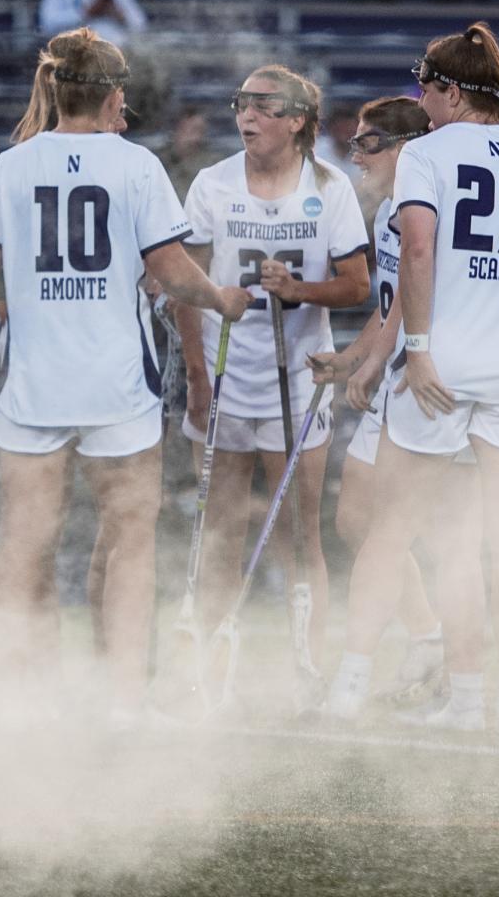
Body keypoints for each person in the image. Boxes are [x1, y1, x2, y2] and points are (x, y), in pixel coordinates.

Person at [325, 23, 499, 735]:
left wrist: (416, 351)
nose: (420, 104)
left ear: (452, 91)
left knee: (391, 531)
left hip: (443, 368)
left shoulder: (426, 152)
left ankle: (348, 689)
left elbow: (417, 248)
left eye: (425, 90)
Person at [0, 29, 249, 726]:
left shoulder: (13, 164)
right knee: (128, 540)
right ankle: (122, 701)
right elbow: (171, 270)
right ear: (115, 94)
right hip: (114, 383)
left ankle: (17, 701)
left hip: (32, 380)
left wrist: (23, 290)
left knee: (23, 540)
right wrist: (220, 298)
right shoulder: (136, 165)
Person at [174, 66, 371, 678]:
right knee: (221, 531)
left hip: (297, 381)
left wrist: (300, 290)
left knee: (299, 532)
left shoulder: (330, 186)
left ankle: (307, 664)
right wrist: (197, 380)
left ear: (296, 120)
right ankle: (211, 661)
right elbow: (184, 285)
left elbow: (357, 285)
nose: (246, 116)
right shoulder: (212, 183)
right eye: (241, 103)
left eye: (262, 106)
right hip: (226, 374)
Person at [307, 97, 446, 703]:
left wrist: (375, 362)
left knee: (391, 529)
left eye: (369, 144)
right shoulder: (389, 208)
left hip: (424, 384)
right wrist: (348, 360)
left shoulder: (426, 209)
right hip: (391, 378)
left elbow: (423, 309)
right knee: (354, 522)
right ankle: (428, 636)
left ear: (405, 150)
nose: (356, 154)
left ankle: (370, 668)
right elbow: (389, 309)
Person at [159, 104, 211, 199]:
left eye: (202, 132)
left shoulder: (211, 162)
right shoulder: (158, 160)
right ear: (177, 130)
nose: (197, 138)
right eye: (193, 131)